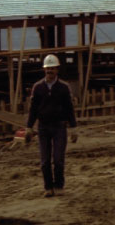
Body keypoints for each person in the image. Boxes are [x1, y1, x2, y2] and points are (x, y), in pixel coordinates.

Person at [25, 54, 78, 198]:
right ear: (44, 70)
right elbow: (33, 109)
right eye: (48, 69)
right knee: (45, 161)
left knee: (58, 159)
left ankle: (59, 186)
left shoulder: (63, 87)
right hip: (43, 128)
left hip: (59, 127)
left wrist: (73, 128)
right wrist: (29, 127)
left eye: (52, 68)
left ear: (57, 70)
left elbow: (69, 109)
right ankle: (48, 187)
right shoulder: (38, 87)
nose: (50, 71)